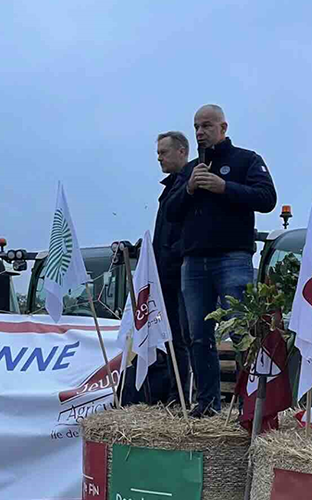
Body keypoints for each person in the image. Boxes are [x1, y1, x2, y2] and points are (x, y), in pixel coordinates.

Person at [167, 104, 278, 417]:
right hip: (194, 264)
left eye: (206, 126)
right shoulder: (189, 170)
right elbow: (171, 212)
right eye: (196, 127)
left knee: (241, 331)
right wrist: (188, 189)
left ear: (223, 128)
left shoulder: (246, 160)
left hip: (232, 258)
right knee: (197, 336)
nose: (200, 133)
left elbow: (267, 198)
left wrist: (224, 187)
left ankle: (249, 404)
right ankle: (207, 405)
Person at [121, 131, 194, 407]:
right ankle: (175, 394)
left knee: (182, 337)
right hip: (165, 272)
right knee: (173, 337)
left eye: (163, 152)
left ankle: (181, 396)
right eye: (157, 153)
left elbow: (183, 229)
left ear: (182, 151)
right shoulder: (172, 187)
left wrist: (172, 255)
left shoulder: (189, 183)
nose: (159, 158)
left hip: (178, 271)